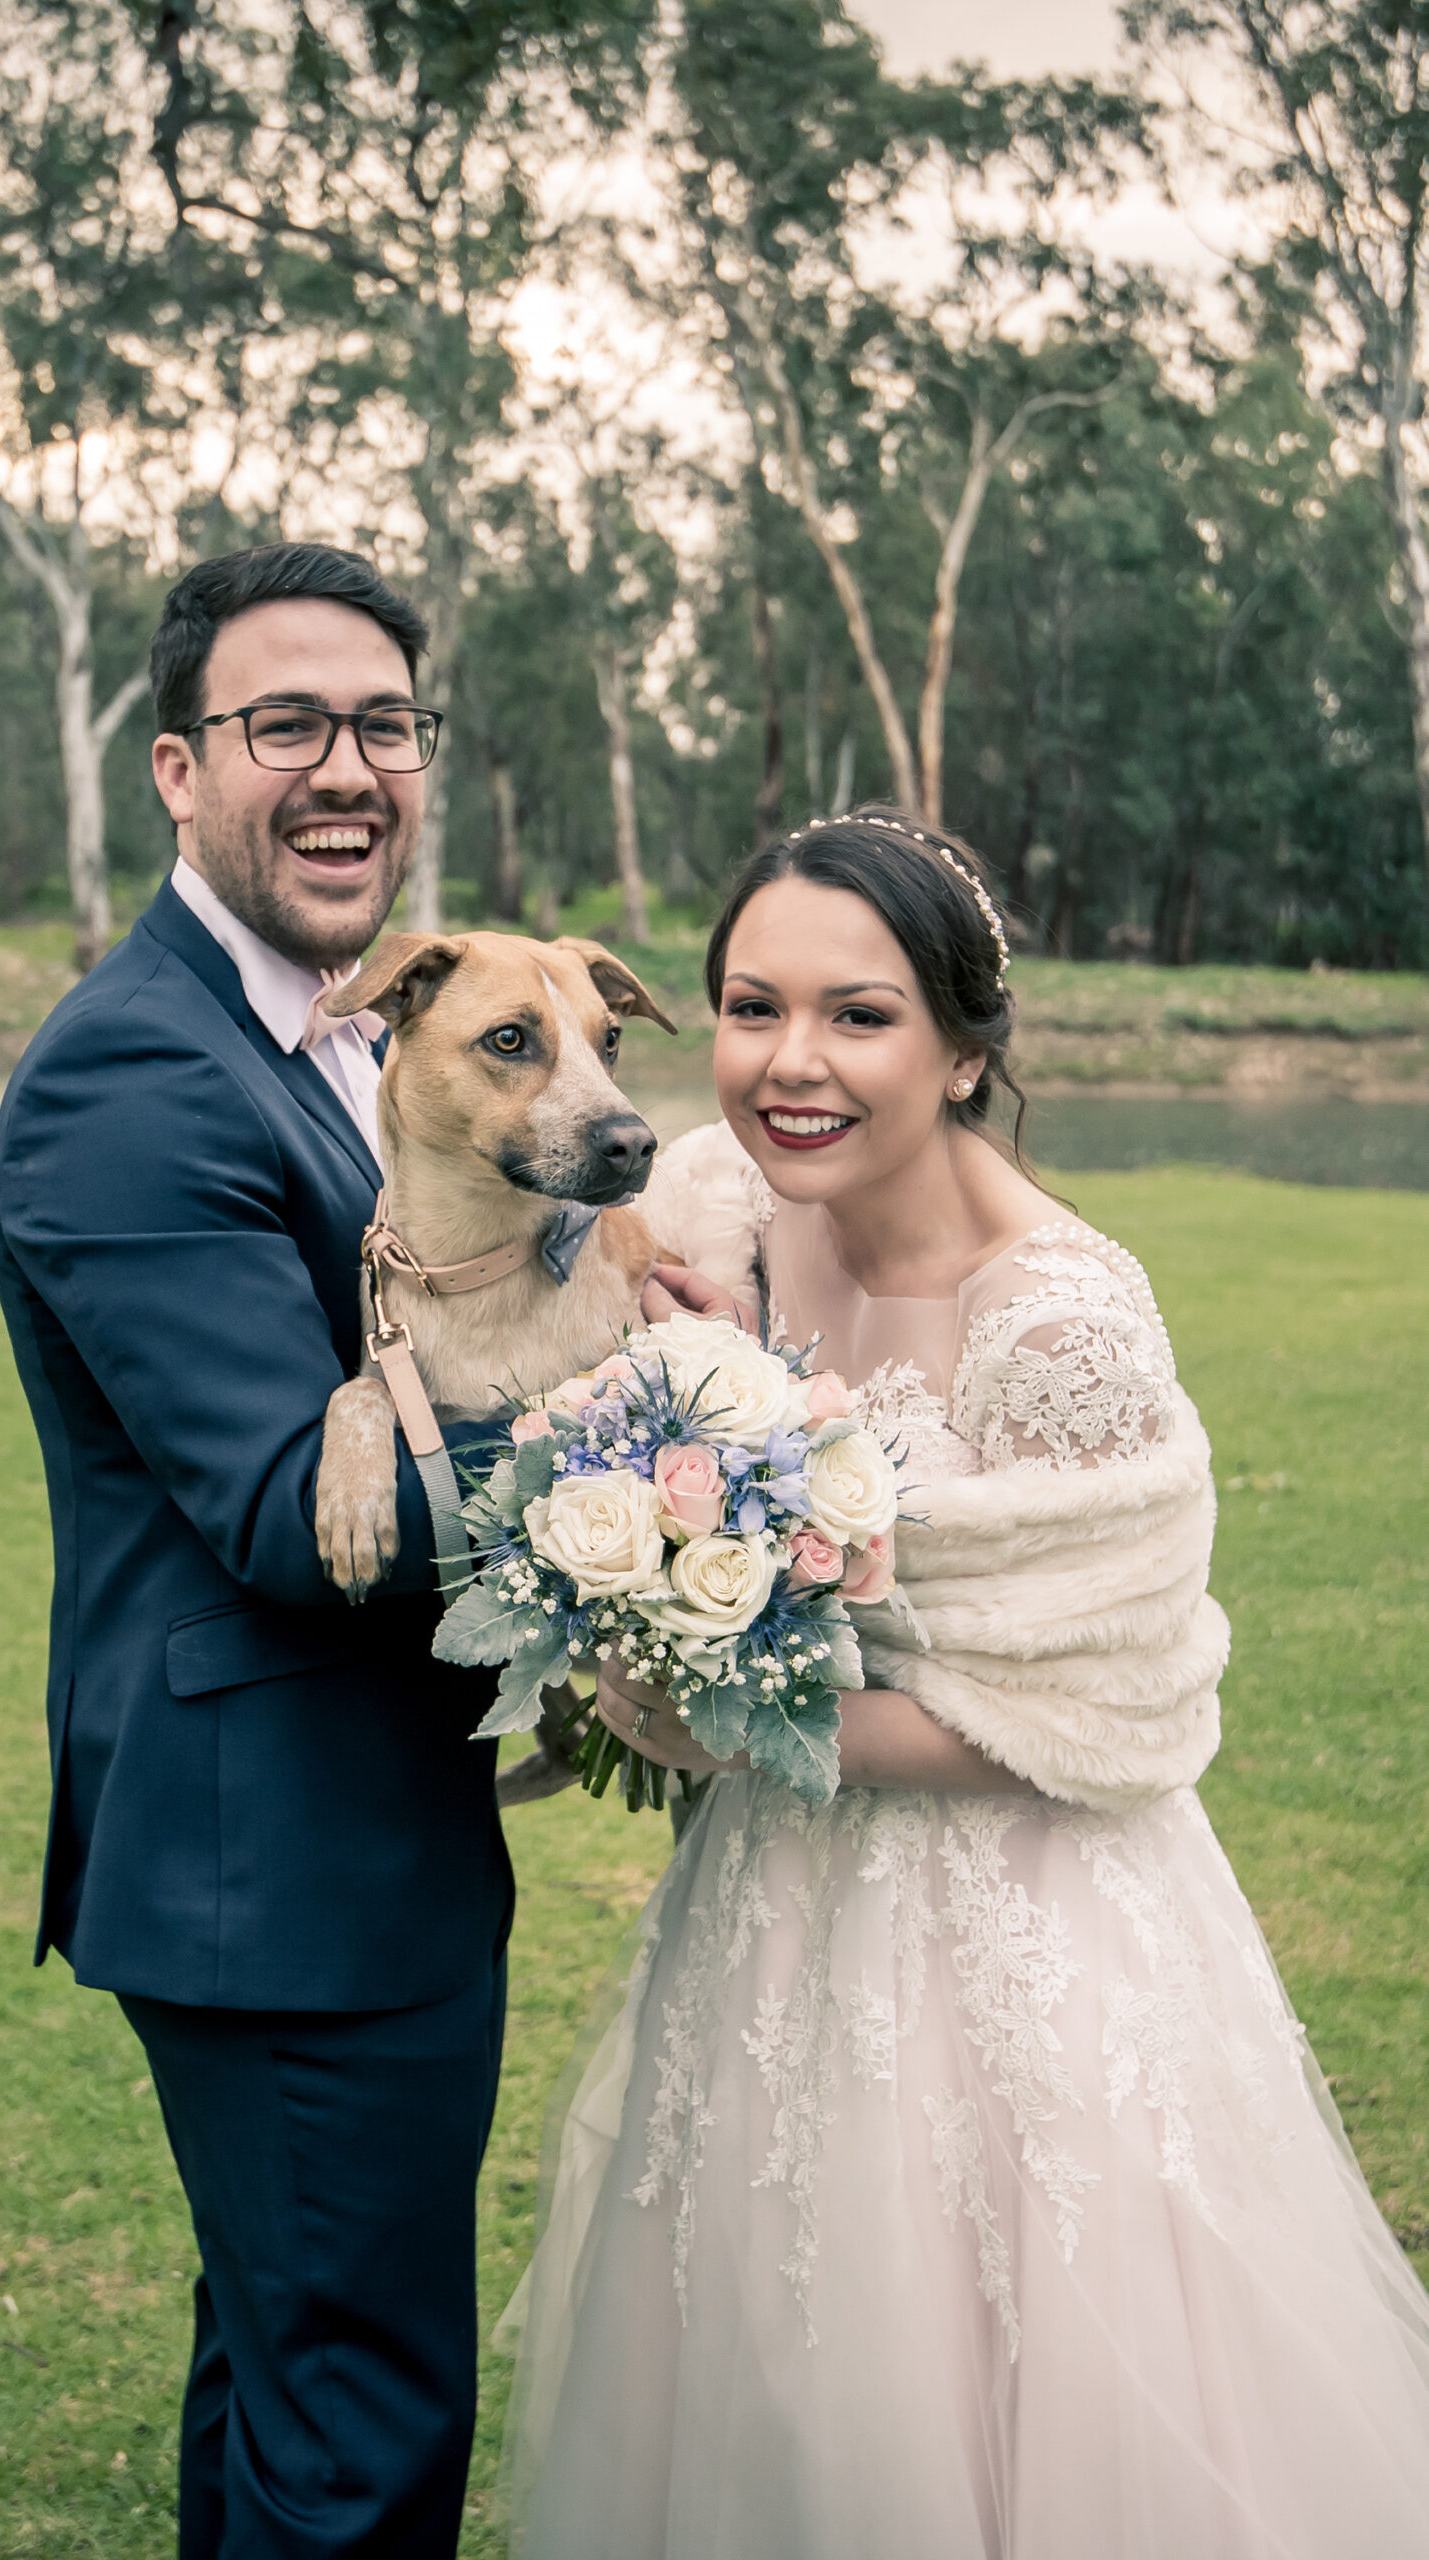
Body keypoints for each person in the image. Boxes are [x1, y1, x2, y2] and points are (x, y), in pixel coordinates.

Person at [505, 811, 1429, 2559]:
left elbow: (1103, 1716)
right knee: (762, 2367)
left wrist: (732, 1720)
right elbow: (576, 1331)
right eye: (748, 1005)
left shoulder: (1065, 1319)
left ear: (963, 1041)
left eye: (858, 1016)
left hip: (1024, 1940)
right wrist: (615, 1556)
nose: (791, 1063)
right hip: (770, 1916)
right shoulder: (725, 1204)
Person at [0, 541, 514, 2560]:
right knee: (358, 2429)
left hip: (336, 1841)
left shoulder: (356, 1039)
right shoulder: (136, 1067)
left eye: (381, 723)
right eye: (286, 723)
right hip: (271, 1865)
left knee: (286, 2372)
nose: (345, 768)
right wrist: (673, 1464)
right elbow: (300, 1508)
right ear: (178, 768)